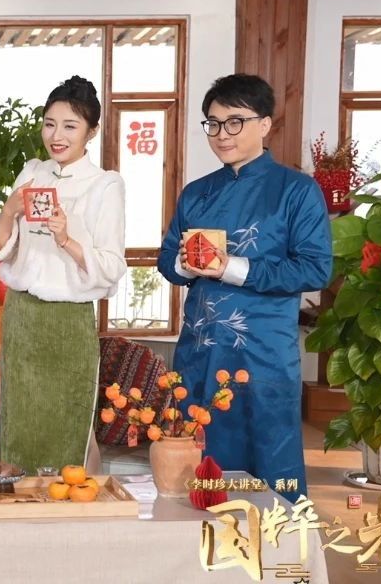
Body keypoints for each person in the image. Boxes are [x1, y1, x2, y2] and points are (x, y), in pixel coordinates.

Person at [157, 73, 331, 500]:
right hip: (201, 350)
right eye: (213, 124)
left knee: (271, 460)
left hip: (263, 354)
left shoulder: (296, 191)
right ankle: (200, 542)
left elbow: (314, 269)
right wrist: (186, 265)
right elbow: (167, 261)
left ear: (265, 124)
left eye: (235, 122)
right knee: (200, 459)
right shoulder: (196, 193)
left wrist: (232, 268)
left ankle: (279, 541)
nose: (222, 134)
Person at [0, 76, 127, 474]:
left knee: (71, 420)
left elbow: (112, 264)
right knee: (19, 418)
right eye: (49, 124)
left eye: (70, 126)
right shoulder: (32, 173)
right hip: (22, 316)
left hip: (69, 320)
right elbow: (3, 249)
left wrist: (66, 240)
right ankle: (17, 498)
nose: (56, 135)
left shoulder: (104, 185)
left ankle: (76, 499)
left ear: (91, 131)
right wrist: (9, 212)